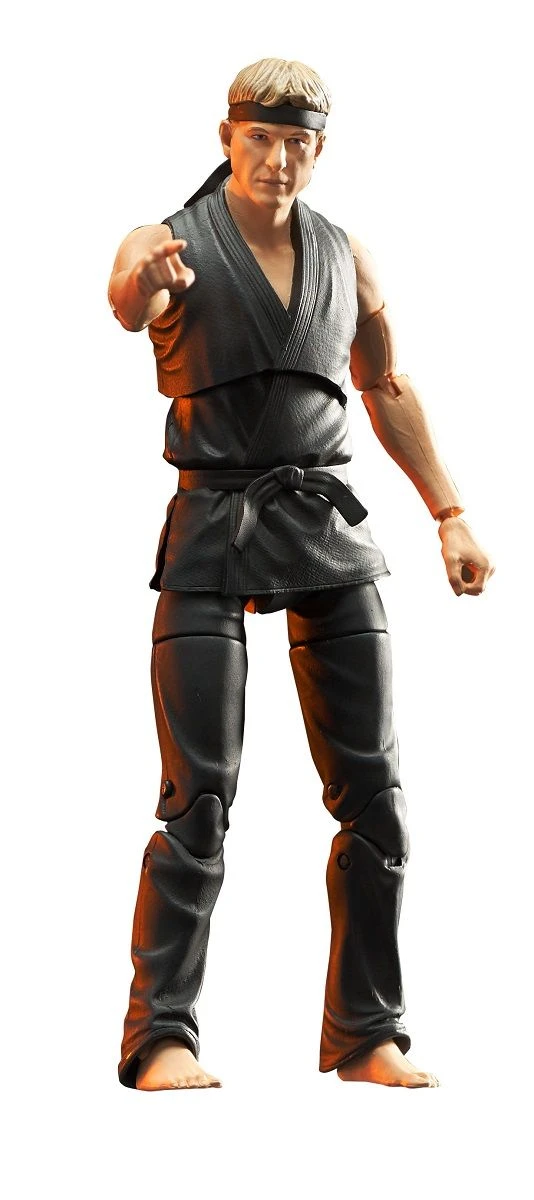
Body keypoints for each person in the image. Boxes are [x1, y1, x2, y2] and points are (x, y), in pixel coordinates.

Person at [108, 57, 494, 1091]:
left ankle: (367, 1033)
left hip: (324, 524)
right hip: (210, 523)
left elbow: (385, 382)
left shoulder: (346, 256)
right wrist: (144, 276)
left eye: (298, 143)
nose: (278, 160)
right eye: (261, 139)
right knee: (196, 798)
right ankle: (161, 1034)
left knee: (377, 797)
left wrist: (450, 513)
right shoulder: (172, 242)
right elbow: (129, 299)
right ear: (227, 137)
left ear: (319, 150)